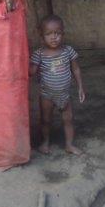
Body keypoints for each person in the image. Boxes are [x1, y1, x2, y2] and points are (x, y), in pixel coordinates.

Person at [29, 14, 86, 155]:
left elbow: (76, 69)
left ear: (63, 34)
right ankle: (45, 143)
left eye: (57, 33)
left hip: (64, 95)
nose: (54, 37)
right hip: (46, 95)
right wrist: (26, 63)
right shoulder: (39, 54)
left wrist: (80, 87)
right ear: (42, 36)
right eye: (49, 34)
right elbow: (31, 72)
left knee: (68, 120)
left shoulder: (68, 51)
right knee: (46, 120)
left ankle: (69, 145)